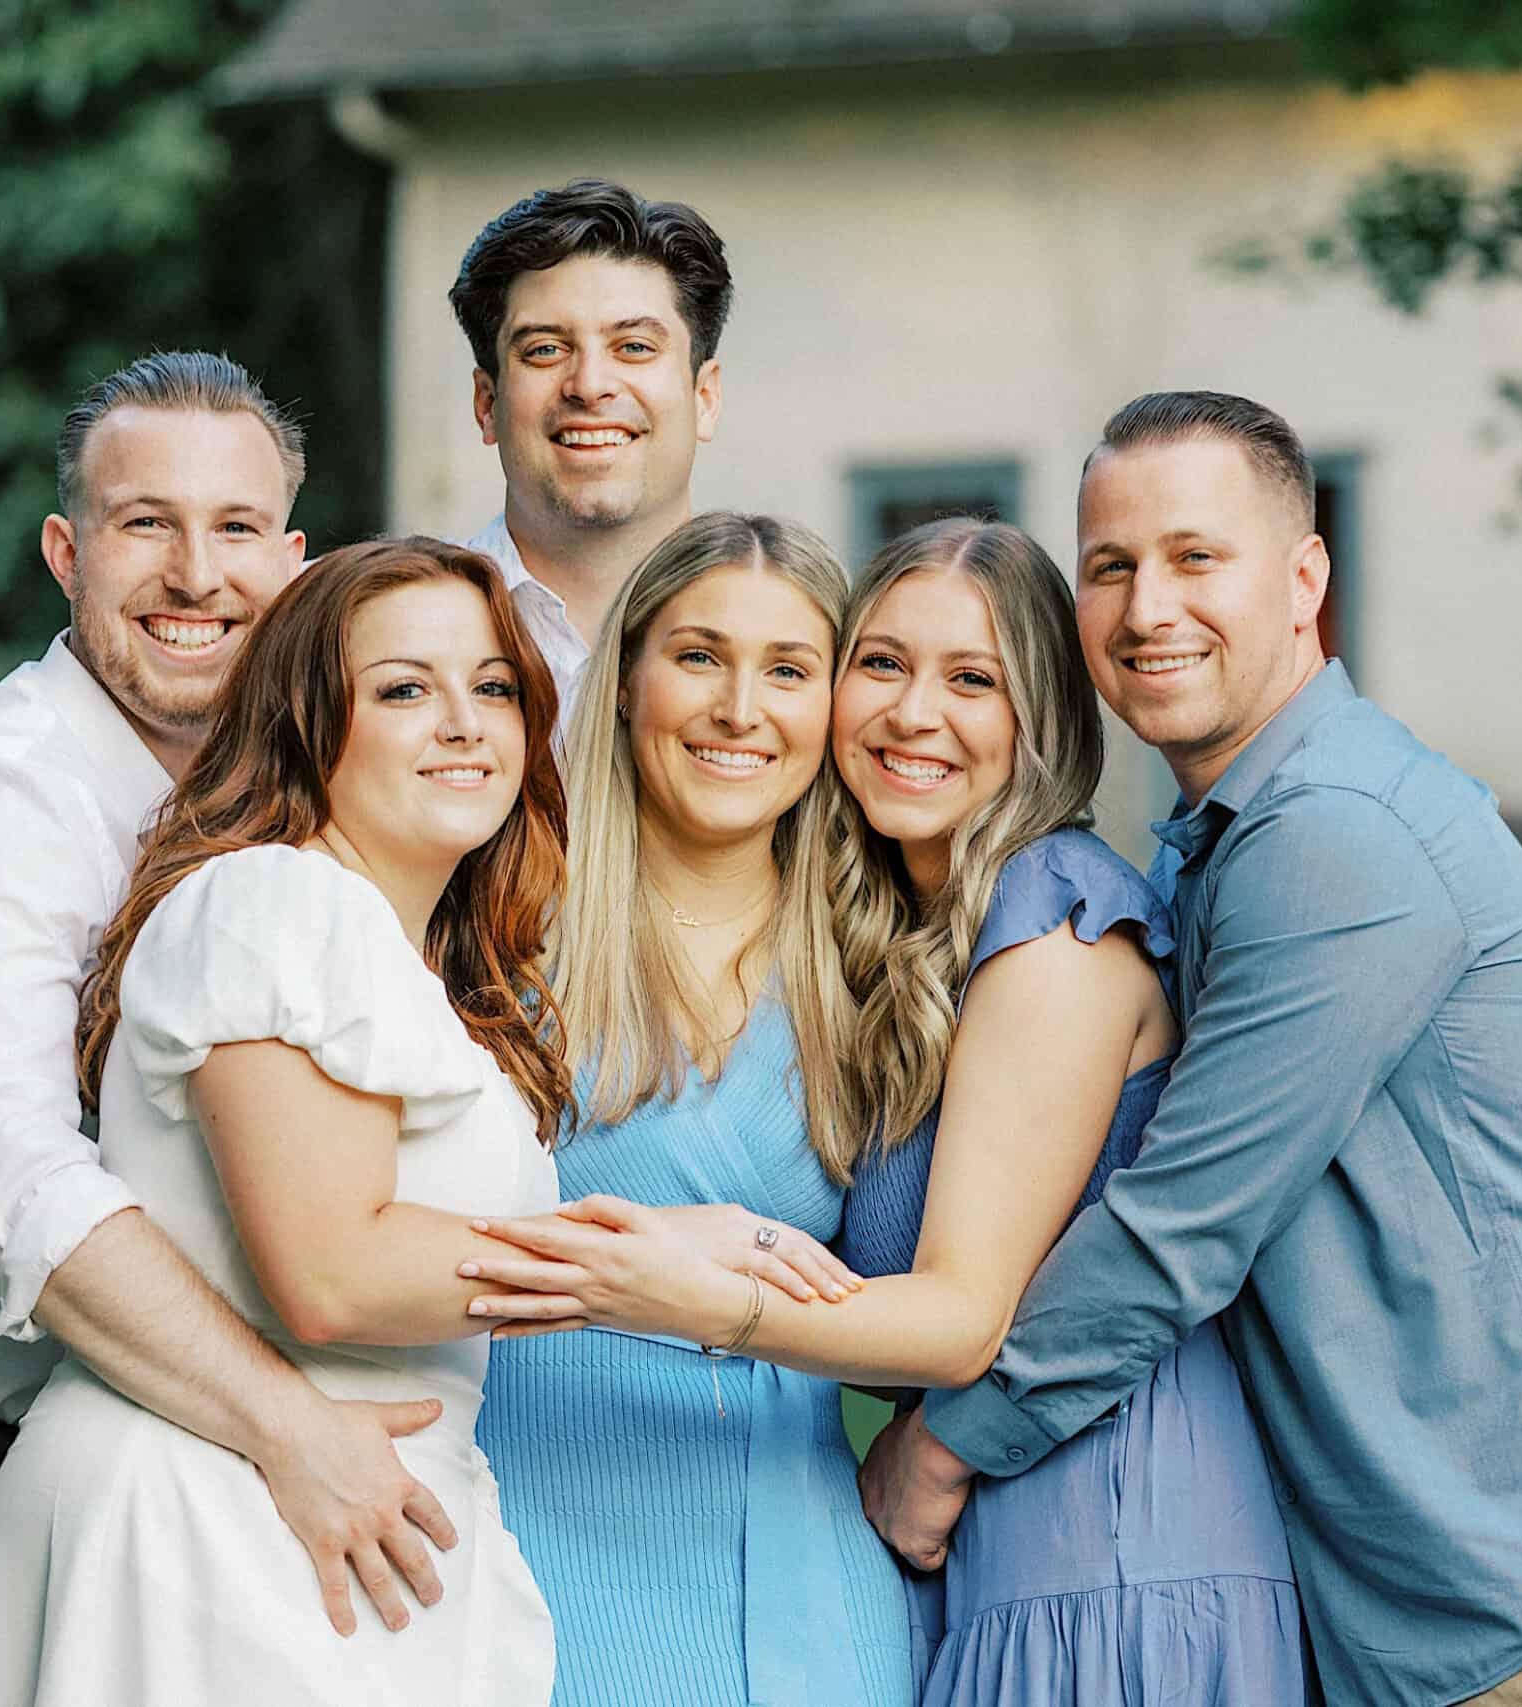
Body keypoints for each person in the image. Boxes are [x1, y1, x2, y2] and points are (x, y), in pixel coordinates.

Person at [867, 392, 1522, 1707]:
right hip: (1458, 1586)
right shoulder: (1227, 834)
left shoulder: (1337, 833)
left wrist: (946, 1445)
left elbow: (1184, 1217)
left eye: (1197, 558)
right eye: (1112, 566)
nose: (1146, 609)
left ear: (1304, 579)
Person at [0, 354, 468, 1707]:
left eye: (234, 529)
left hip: (63, 1480)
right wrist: (293, 1427)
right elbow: (11, 1178)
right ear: (66, 550)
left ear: (292, 562)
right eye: (142, 523)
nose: (194, 573)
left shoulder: (260, 808)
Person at [475, 519, 1317, 1704]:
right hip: (960, 1556)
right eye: (881, 664)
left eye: (973, 679)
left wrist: (697, 1293)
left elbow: (960, 1315)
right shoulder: (898, 955)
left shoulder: (1055, 921)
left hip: (1117, 1558)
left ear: (1040, 723)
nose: (914, 714)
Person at [0, 538, 573, 1705]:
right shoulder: (280, 901)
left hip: (324, 1528)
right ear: (306, 723)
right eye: (403, 689)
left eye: (492, 686)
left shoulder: (405, 960)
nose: (463, 722)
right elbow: (330, 1271)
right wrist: (642, 1270)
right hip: (222, 1521)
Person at [468, 511, 914, 1707]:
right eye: (699, 657)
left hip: (807, 1581)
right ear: (622, 685)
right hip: (530, 1561)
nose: (738, 709)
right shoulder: (493, 933)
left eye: (787, 670)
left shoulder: (878, 964)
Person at [448, 178, 730, 704]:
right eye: (545, 350)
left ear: (705, 397)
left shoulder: (801, 647)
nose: (589, 385)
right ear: (487, 404)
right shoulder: (382, 635)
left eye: (635, 347)